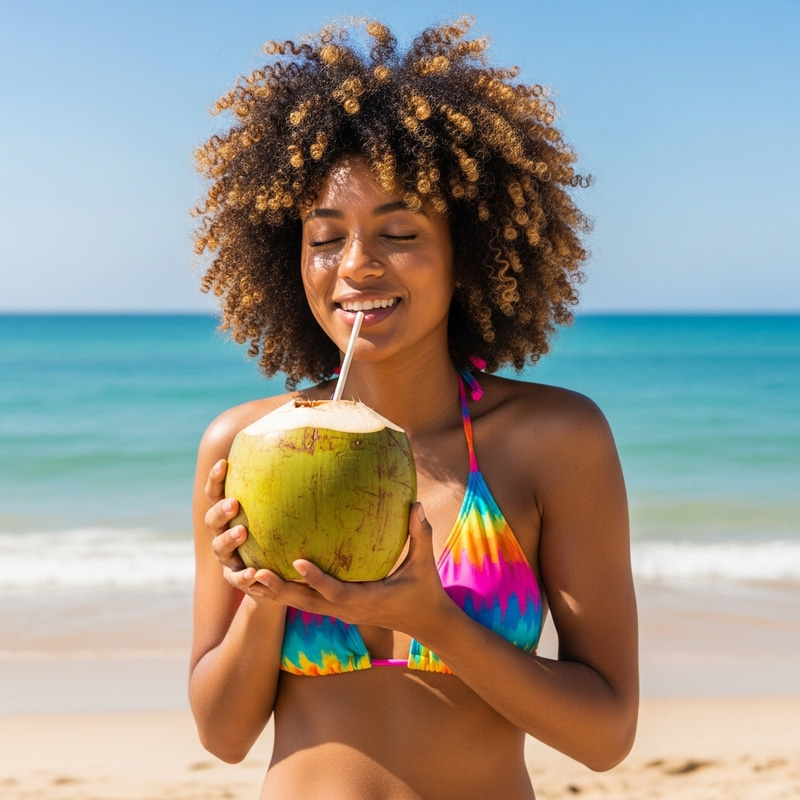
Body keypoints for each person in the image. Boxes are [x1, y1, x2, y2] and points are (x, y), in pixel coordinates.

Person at [189, 16, 638, 800]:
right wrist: (266, 598)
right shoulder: (246, 440)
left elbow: (605, 736)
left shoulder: (552, 440)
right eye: (324, 238)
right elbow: (223, 737)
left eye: (398, 231)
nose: (356, 266)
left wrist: (437, 620)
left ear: (467, 248)